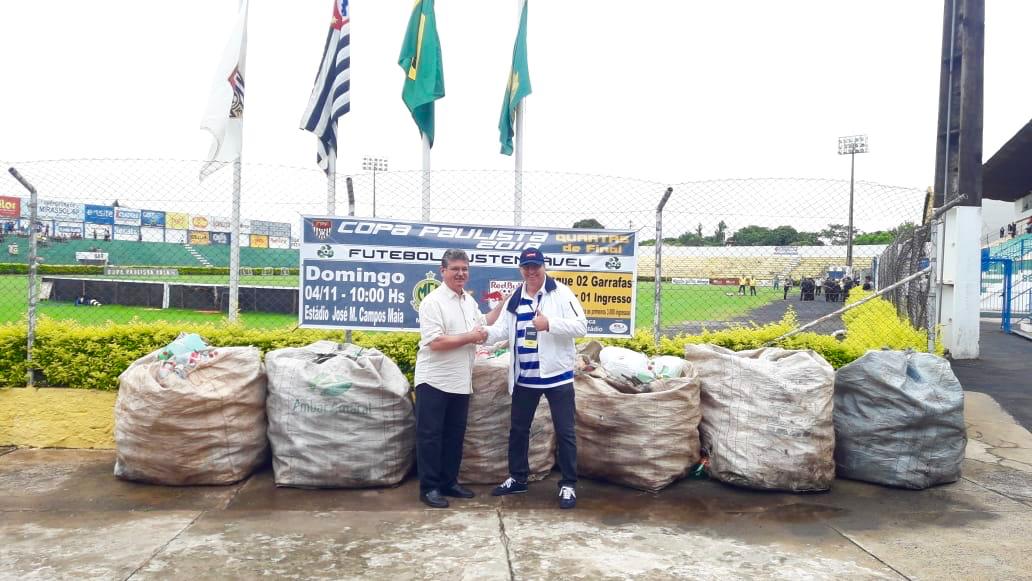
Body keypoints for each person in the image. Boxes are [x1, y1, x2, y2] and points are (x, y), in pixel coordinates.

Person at [484, 247, 587, 509]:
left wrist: (550, 323)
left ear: (544, 267)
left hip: (557, 376)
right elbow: (499, 331)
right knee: (518, 430)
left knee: (565, 432)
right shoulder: (515, 298)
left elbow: (581, 327)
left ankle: (568, 484)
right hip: (525, 378)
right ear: (520, 269)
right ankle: (518, 478)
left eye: (535, 267)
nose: (531, 272)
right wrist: (479, 334)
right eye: (526, 267)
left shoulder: (560, 293)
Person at [413, 249, 491, 509]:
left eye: (465, 269)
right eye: (455, 268)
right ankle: (430, 488)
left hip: (460, 381)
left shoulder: (468, 302)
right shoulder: (433, 302)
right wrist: (471, 337)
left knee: (454, 436)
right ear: (442, 271)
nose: (461, 273)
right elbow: (435, 341)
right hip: (434, 380)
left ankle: (449, 482)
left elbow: (483, 325)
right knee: (431, 436)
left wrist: (504, 306)